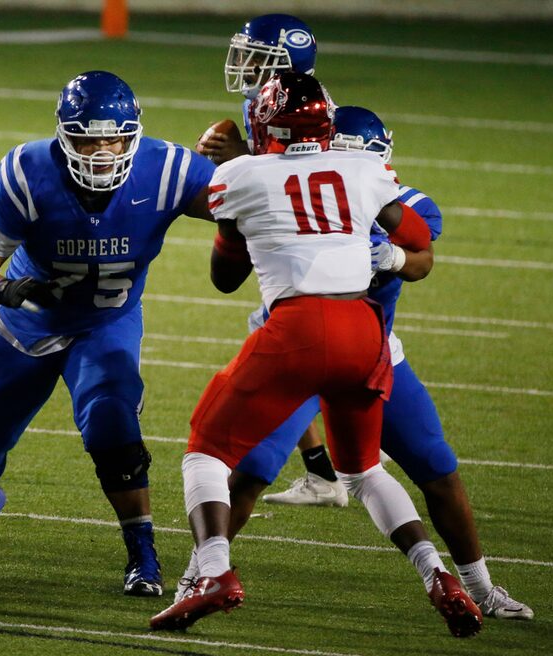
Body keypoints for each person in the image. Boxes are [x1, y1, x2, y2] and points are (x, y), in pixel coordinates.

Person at [194, 13, 535, 622]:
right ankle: (201, 571)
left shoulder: (382, 189)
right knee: (254, 473)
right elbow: (284, 188)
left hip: (341, 346)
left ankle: (479, 585)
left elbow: (413, 252)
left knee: (435, 468)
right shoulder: (328, 159)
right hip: (345, 344)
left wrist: (396, 254)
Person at [150, 72, 482, 638]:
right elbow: (419, 236)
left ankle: (213, 575)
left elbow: (224, 278)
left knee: (205, 452)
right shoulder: (365, 169)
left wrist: (244, 227)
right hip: (364, 328)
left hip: (299, 328)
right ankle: (438, 576)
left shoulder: (238, 174)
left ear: (266, 124)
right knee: (363, 469)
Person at [0, 70, 216, 598]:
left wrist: (245, 164)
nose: (102, 151)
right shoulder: (27, 171)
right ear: (64, 134)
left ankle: (143, 556)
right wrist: (2, 291)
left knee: (113, 429)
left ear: (134, 134)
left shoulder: (168, 168)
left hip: (106, 322)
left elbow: (242, 209)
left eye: (114, 137)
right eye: (87, 137)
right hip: (28, 321)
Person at [199, 13, 349, 505]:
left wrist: (240, 157)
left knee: (346, 361)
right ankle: (329, 468)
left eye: (256, 57)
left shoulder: (310, 110)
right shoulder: (259, 103)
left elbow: (302, 177)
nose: (243, 64)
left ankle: (350, 460)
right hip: (300, 250)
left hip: (334, 250)